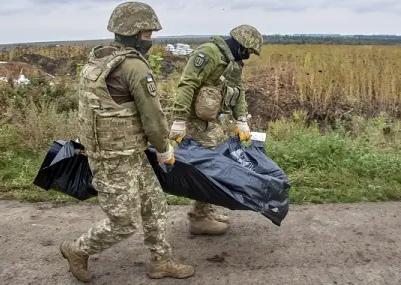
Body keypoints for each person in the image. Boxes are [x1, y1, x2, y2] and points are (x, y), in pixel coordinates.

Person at [59, 1, 195, 282]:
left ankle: (161, 261)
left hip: (128, 152)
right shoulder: (132, 66)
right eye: (146, 33)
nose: (150, 38)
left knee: (155, 204)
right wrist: (164, 149)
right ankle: (77, 249)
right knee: (123, 223)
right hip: (113, 158)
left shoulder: (100, 57)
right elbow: (154, 118)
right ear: (131, 32)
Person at [168, 24, 263, 235]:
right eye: (248, 51)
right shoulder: (208, 53)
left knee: (214, 163)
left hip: (210, 121)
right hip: (193, 120)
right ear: (240, 44)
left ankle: (205, 210)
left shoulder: (232, 62)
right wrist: (179, 120)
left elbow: (239, 91)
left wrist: (241, 119)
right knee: (207, 166)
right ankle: (199, 218)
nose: (248, 56)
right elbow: (187, 85)